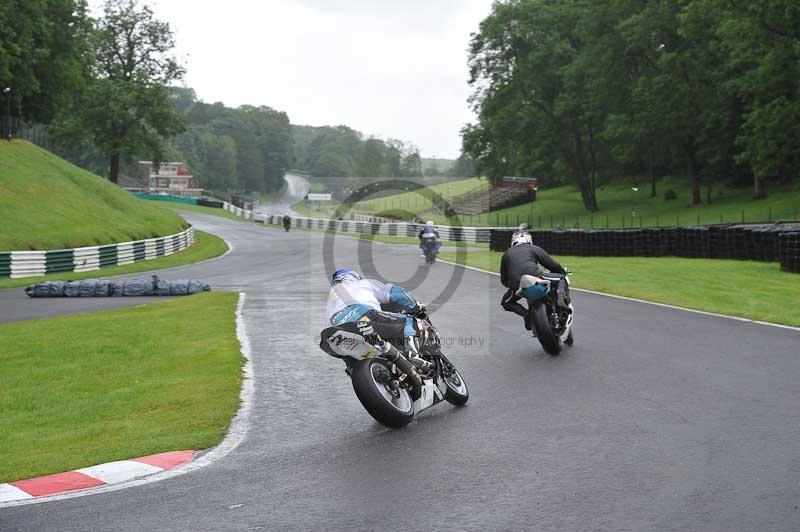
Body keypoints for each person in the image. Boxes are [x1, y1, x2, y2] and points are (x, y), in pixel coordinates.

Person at [326, 268, 427, 362]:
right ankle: (413, 357)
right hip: (362, 315)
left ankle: (355, 369)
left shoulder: (331, 298)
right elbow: (396, 293)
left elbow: (328, 326)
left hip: (337, 329)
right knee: (410, 321)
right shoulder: (362, 283)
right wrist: (416, 307)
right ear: (354, 277)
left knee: (350, 359)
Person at [499, 230, 569, 329]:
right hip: (535, 275)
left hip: (517, 284)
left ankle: (526, 315)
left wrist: (512, 286)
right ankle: (560, 301)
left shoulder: (506, 253)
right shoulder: (533, 248)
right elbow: (552, 264)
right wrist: (561, 271)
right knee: (561, 277)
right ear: (529, 240)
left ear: (513, 241)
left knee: (506, 303)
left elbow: (504, 279)